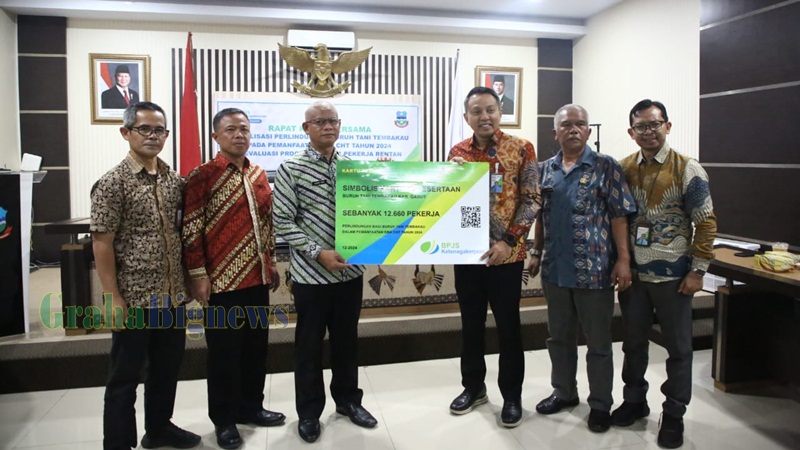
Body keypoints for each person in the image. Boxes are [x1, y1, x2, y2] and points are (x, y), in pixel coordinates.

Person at [92, 101, 201, 450]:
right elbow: (102, 244)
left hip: (172, 296)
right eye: (145, 129)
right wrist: (112, 297)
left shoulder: (174, 181)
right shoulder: (112, 183)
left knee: (166, 370)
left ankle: (158, 430)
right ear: (126, 132)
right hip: (134, 297)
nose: (153, 136)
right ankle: (118, 443)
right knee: (124, 378)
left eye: (159, 130)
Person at [613, 99, 717, 449]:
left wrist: (698, 270)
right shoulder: (624, 168)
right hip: (634, 277)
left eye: (654, 124)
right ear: (631, 132)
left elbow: (706, 223)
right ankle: (634, 401)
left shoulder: (688, 168)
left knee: (679, 348)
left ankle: (673, 412)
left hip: (674, 277)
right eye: (641, 126)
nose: (648, 132)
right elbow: (618, 219)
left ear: (667, 126)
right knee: (633, 344)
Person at [273, 100, 378, 443]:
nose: (328, 126)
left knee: (347, 342)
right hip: (312, 276)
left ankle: (348, 401)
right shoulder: (291, 168)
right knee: (309, 347)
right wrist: (318, 253)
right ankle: (309, 412)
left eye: (333, 120)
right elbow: (283, 221)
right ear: (306, 128)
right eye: (320, 121)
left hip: (350, 273)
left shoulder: (354, 167)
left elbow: (372, 211)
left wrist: (386, 180)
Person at [528, 104, 635, 433]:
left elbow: (619, 216)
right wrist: (536, 251)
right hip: (555, 270)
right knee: (559, 338)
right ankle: (564, 392)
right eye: (566, 125)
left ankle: (600, 404)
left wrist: (623, 260)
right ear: (555, 133)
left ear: (588, 131)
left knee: (598, 343)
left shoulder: (606, 166)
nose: (573, 129)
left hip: (595, 271)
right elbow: (541, 216)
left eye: (580, 124)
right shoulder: (544, 170)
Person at [182, 108, 285, 450]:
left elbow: (267, 223)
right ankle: (224, 420)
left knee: (255, 349)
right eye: (231, 129)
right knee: (224, 355)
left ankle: (250, 407)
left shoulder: (258, 173)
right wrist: (198, 274)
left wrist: (270, 263)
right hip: (221, 282)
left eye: (244, 129)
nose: (239, 134)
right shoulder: (203, 175)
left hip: (256, 278)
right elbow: (191, 229)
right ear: (216, 136)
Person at [446, 86, 541, 428]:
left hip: (506, 258)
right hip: (467, 257)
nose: (484, 116)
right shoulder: (457, 152)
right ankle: (473, 388)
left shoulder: (521, 147)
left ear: (500, 112)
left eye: (490, 109)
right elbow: (447, 202)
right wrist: (449, 175)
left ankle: (512, 396)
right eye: (476, 111)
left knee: (508, 328)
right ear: (466, 116)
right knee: (470, 326)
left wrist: (507, 242)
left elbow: (532, 199)